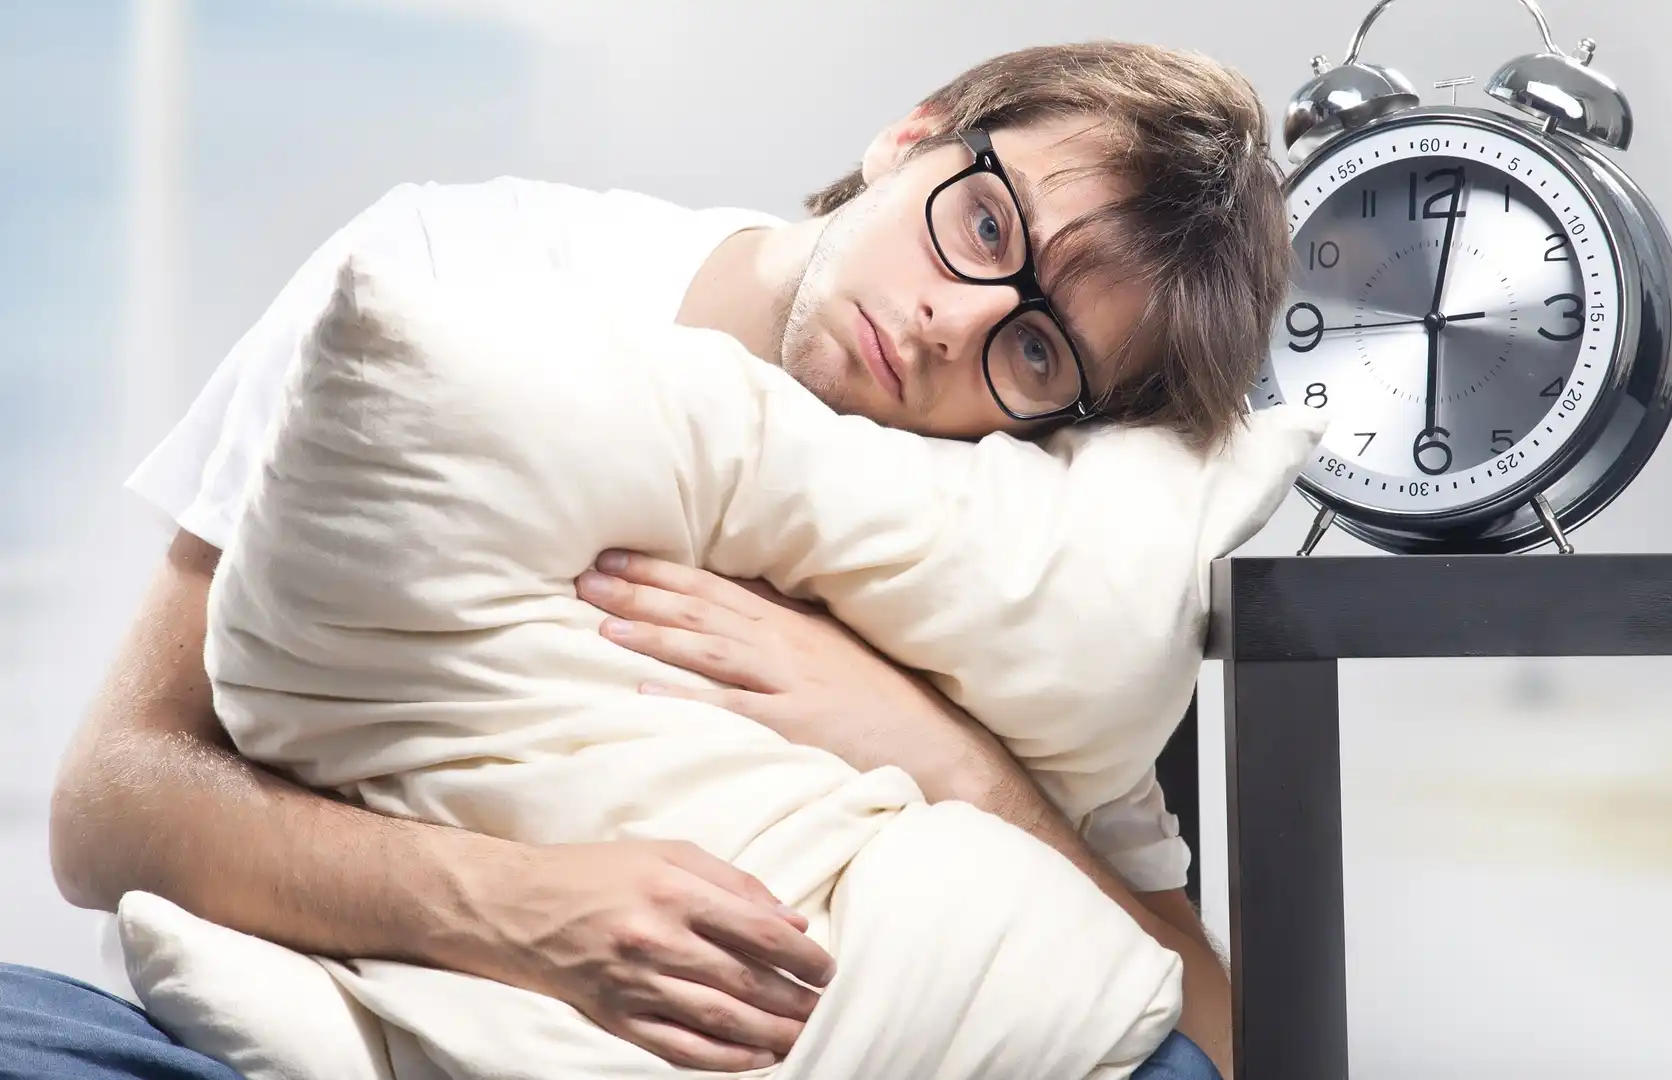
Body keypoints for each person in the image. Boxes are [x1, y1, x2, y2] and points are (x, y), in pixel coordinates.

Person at [19, 39, 1289, 1080]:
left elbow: (1217, 1030)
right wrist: (519, 910)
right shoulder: (453, 277)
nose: (953, 321)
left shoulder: (1007, 543)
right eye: (983, 223)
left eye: (1037, 353)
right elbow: (112, 801)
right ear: (914, 134)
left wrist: (948, 759)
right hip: (319, 1032)